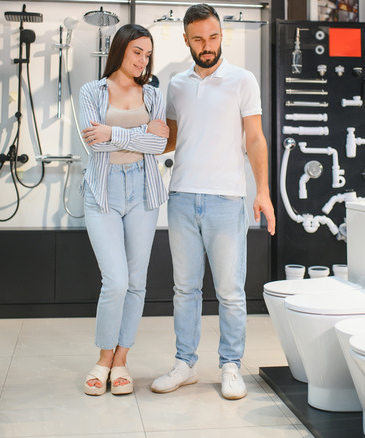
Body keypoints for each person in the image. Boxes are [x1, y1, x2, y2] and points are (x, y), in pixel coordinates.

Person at [151, 3, 275, 400]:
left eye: (214, 37)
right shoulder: (176, 83)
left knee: (230, 291)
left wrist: (263, 192)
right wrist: (137, 128)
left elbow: (254, 139)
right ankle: (185, 364)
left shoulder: (242, 80)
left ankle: (230, 366)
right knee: (184, 289)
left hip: (226, 199)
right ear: (186, 40)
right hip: (183, 196)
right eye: (199, 39)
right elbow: (171, 139)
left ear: (223, 35)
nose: (208, 45)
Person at [79, 23, 169, 396]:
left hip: (144, 191)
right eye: (137, 52)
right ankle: (102, 358)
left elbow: (159, 145)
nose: (143, 60)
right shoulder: (92, 91)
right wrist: (144, 132)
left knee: (136, 282)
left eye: (147, 54)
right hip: (103, 191)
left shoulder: (154, 94)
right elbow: (92, 143)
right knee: (114, 281)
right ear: (120, 50)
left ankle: (121, 362)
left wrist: (114, 133)